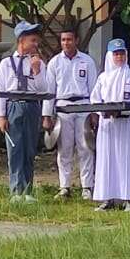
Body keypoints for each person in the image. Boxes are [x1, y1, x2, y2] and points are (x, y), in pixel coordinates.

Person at [0, 21, 54, 203]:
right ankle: (16, 190)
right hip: (13, 105)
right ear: (21, 40)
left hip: (31, 106)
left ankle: (27, 189)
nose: (36, 44)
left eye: (37, 40)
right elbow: (1, 91)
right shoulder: (6, 64)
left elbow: (44, 89)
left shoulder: (38, 63)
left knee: (29, 149)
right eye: (33, 40)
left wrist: (37, 71)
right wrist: (1, 116)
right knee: (15, 149)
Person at [91, 38, 130, 211]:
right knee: (107, 160)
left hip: (127, 125)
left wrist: (122, 111)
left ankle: (129, 198)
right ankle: (108, 198)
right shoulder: (103, 78)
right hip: (108, 125)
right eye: (116, 54)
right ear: (110, 56)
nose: (119, 57)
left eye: (122, 53)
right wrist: (104, 112)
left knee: (127, 160)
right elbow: (95, 99)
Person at [44, 28, 97, 199]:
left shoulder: (87, 61)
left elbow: (94, 89)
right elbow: (49, 91)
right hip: (63, 107)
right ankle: (64, 186)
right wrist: (47, 116)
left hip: (83, 105)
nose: (66, 43)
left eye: (69, 39)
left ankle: (87, 186)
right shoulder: (54, 63)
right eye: (63, 40)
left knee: (86, 147)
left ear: (77, 40)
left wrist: (94, 112)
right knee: (64, 149)